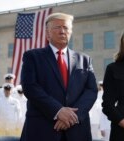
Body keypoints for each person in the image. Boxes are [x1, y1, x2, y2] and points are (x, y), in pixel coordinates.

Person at [20, 12, 98, 141]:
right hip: (42, 130)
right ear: (47, 33)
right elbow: (30, 87)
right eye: (57, 27)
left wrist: (73, 116)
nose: (62, 31)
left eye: (66, 28)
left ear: (71, 32)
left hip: (77, 131)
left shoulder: (84, 60)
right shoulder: (32, 57)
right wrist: (58, 111)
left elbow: (91, 90)